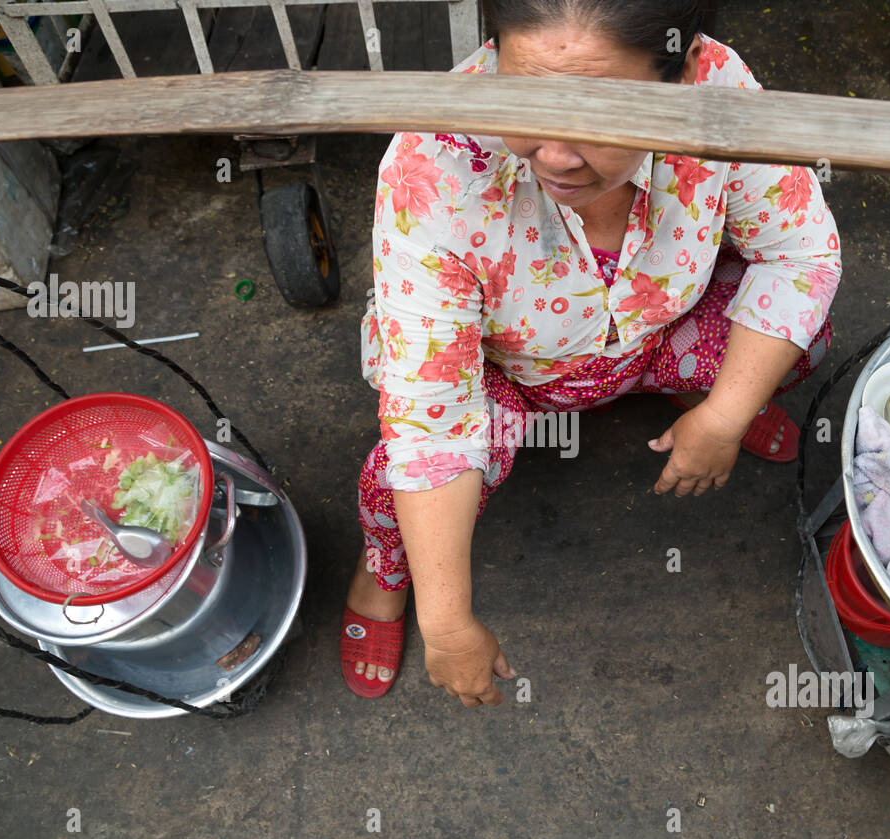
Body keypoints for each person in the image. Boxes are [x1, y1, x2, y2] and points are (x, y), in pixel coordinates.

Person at [341, 0, 842, 705]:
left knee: (798, 341)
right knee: (398, 475)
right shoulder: (433, 168)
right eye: (527, 99)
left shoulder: (719, 92)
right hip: (507, 373)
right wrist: (447, 624)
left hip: (655, 331)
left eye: (596, 113)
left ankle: (697, 400)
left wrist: (726, 415)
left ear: (684, 76)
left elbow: (797, 255)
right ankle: (385, 574)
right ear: (495, 55)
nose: (553, 154)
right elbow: (433, 426)